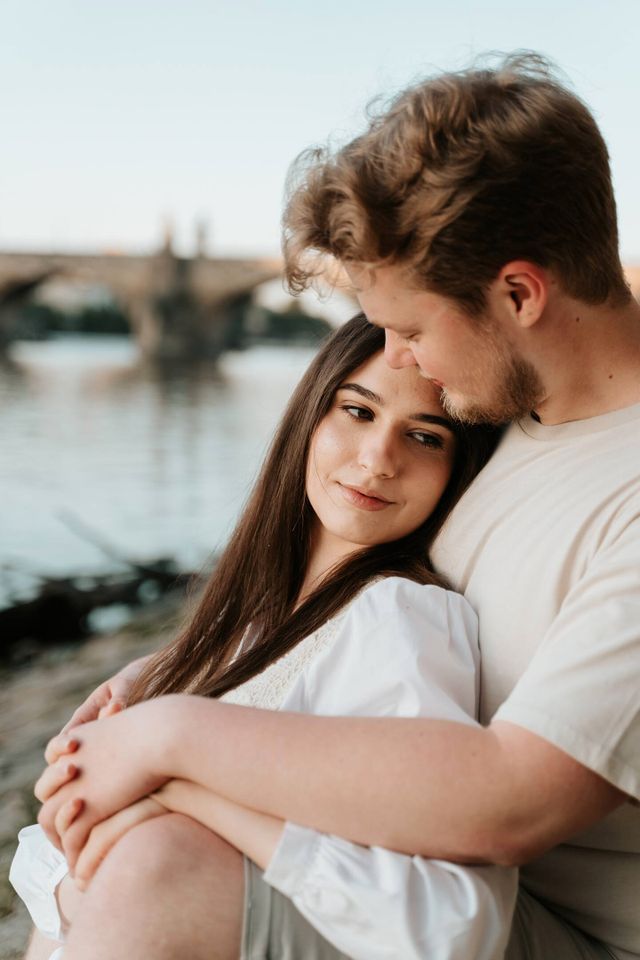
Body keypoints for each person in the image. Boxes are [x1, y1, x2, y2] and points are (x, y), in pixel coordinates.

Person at [31, 52, 640, 959]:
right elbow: (367, 587)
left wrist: (176, 734)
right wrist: (182, 667)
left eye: (413, 326)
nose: (401, 357)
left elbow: (512, 799)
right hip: (419, 860)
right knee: (110, 850)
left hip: (541, 929)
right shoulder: (508, 408)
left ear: (519, 294)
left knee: (161, 868)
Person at [11, 314, 514, 960]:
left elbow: (443, 923)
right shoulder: (248, 623)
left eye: (424, 436)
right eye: (358, 412)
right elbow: (53, 872)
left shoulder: (400, 618)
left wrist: (180, 788)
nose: (378, 459)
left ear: (455, 471)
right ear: (309, 415)